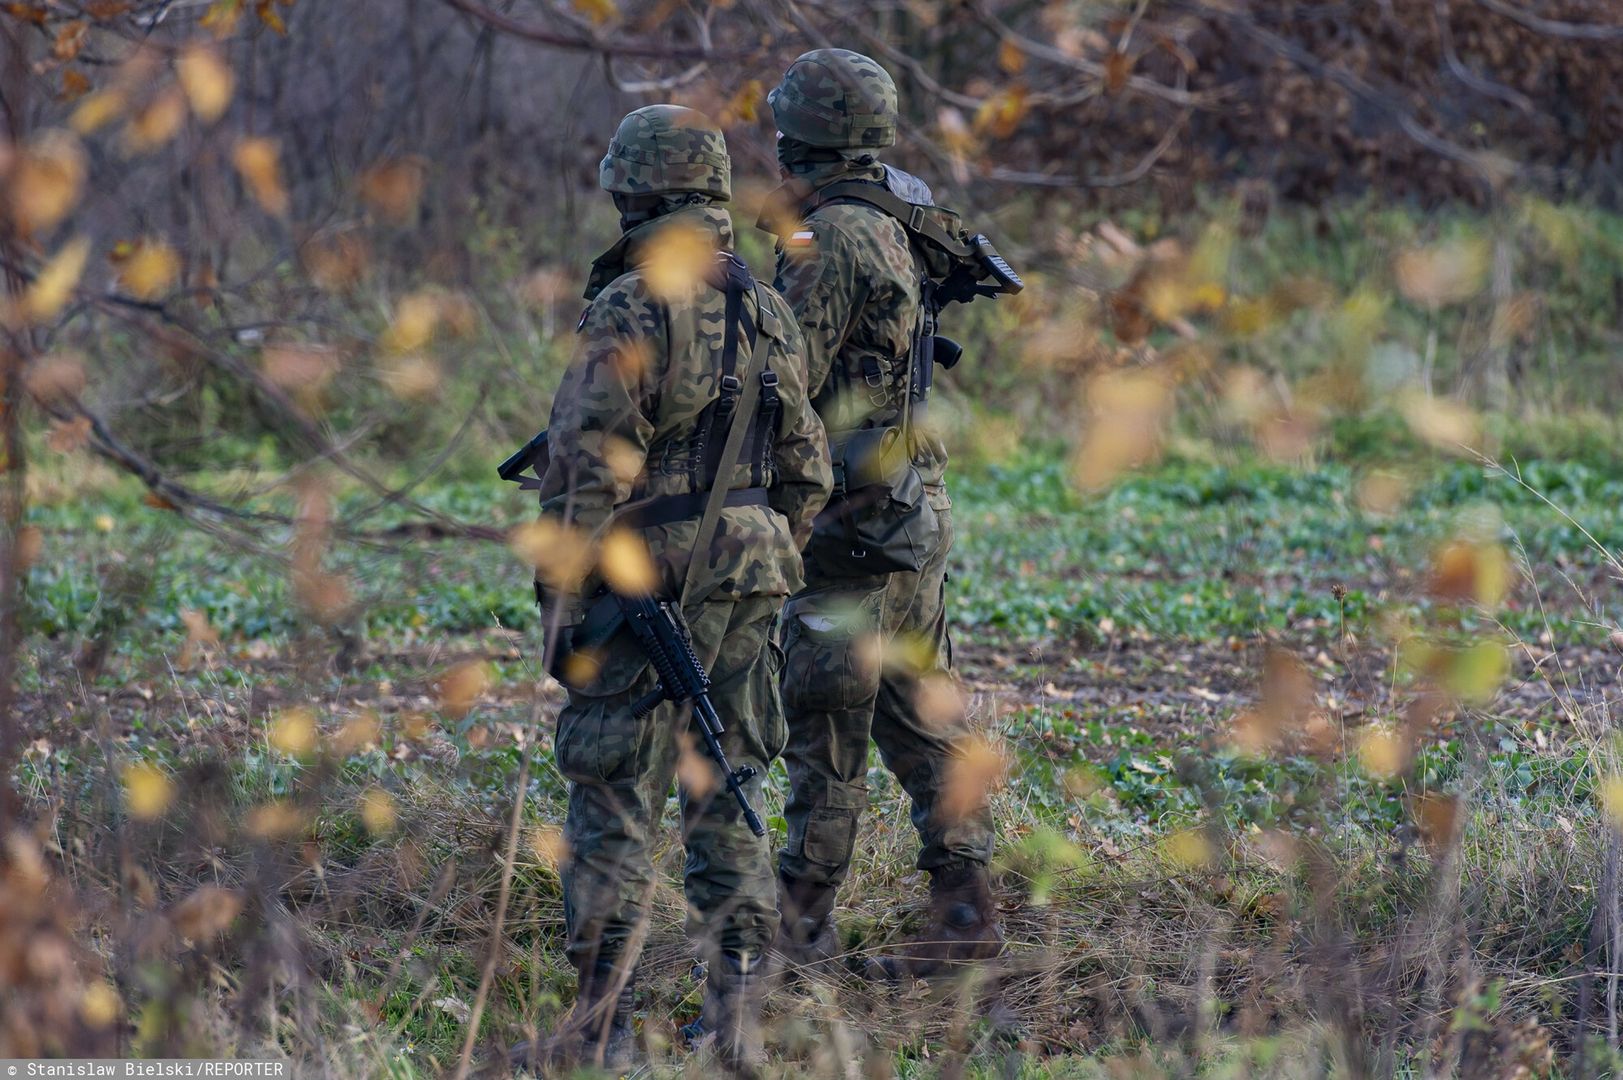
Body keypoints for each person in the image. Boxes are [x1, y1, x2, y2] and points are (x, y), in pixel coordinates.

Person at [519, 104, 830, 1073]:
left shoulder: (629, 305)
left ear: (635, 190)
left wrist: (563, 599)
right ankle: (733, 1023)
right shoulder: (762, 305)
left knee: (611, 790)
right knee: (727, 786)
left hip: (641, 580)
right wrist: (763, 550)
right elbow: (807, 470)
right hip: (753, 571)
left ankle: (597, 1029)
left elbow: (582, 469)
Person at [761, 48, 1002, 977]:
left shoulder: (830, 241)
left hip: (857, 529)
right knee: (918, 720)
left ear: (798, 137)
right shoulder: (897, 215)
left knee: (823, 731)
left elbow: (785, 389)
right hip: (910, 509)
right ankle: (966, 916)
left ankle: (796, 946)